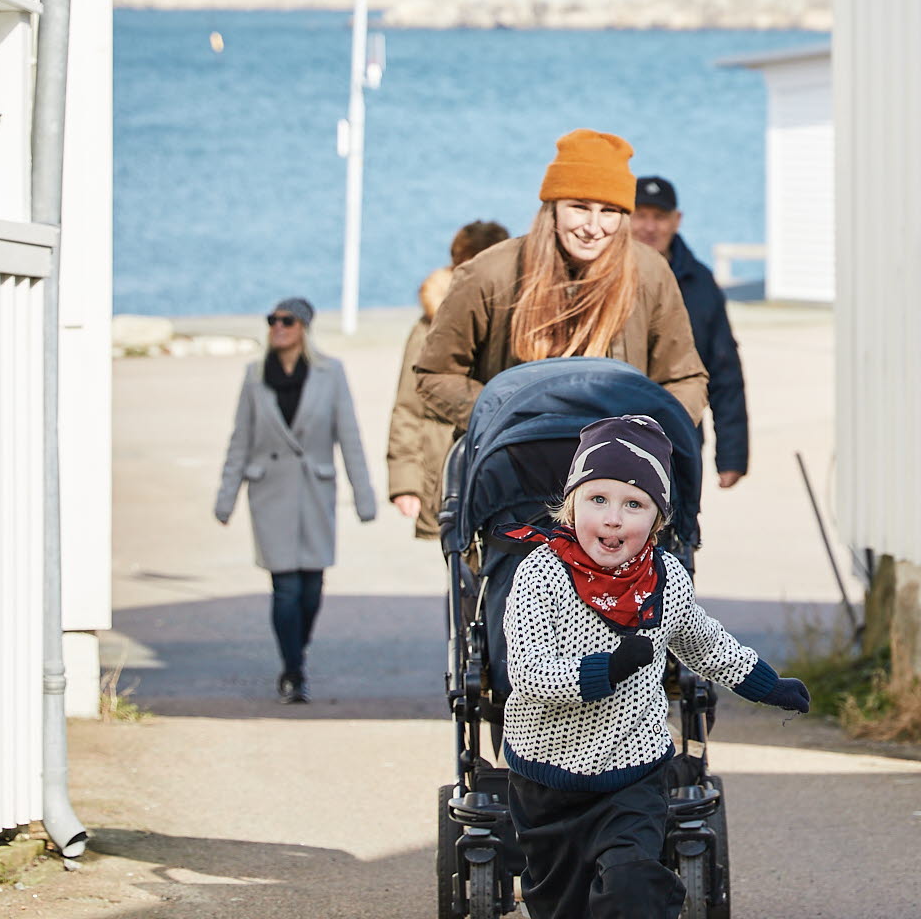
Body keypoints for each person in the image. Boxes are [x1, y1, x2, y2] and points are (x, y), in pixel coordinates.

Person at [502, 416, 810, 919]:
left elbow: (700, 638)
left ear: (659, 518)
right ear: (572, 504)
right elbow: (528, 671)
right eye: (599, 500)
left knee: (636, 883)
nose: (613, 520)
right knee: (557, 917)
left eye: (634, 505)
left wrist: (763, 682)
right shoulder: (540, 576)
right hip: (545, 776)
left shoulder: (665, 577)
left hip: (633, 770)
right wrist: (607, 668)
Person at [415, 130, 707, 431]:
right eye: (580, 207)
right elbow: (435, 374)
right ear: (553, 208)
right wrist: (505, 415)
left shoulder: (650, 272)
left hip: (616, 462)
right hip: (512, 460)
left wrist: (652, 434)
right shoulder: (489, 273)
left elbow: (683, 378)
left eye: (608, 211)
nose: (593, 227)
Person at [213, 297, 378, 703]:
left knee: (311, 586)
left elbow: (350, 436)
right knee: (285, 586)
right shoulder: (255, 376)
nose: (278, 328)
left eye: (286, 322)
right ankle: (292, 671)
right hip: (270, 491)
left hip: (314, 489)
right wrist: (226, 497)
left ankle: (295, 649)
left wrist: (364, 496)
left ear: (303, 327)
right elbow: (240, 439)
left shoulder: (330, 372)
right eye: (272, 321)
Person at [386, 219, 511, 538]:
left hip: (503, 469)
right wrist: (406, 482)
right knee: (458, 571)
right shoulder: (430, 327)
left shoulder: (520, 320)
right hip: (445, 468)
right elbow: (408, 406)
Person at [630, 175, 748, 488]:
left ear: (676, 220)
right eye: (640, 215)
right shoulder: (605, 277)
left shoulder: (700, 282)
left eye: (659, 217)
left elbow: (725, 371)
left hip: (680, 437)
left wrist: (732, 455)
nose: (649, 227)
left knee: (679, 532)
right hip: (613, 434)